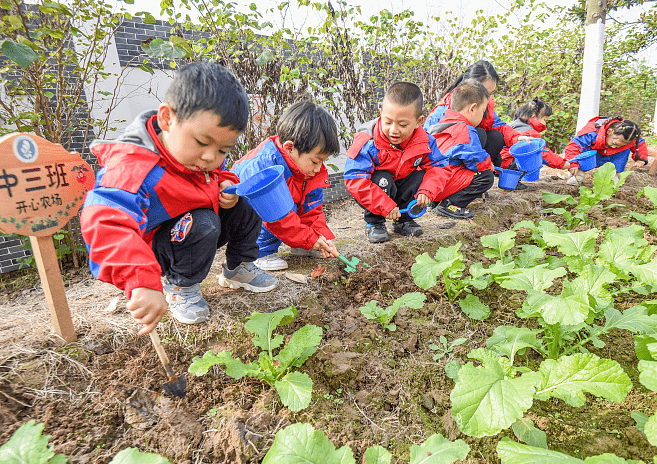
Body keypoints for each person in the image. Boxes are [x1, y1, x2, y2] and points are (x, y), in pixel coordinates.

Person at [81, 62, 277, 333]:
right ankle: (179, 285)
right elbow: (106, 220)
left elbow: (218, 173)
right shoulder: (133, 165)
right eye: (202, 143)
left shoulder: (196, 158)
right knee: (203, 222)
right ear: (166, 119)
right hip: (157, 249)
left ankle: (238, 267)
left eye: (223, 149)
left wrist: (228, 185)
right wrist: (141, 280)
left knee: (244, 197)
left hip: (196, 231)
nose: (211, 157)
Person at [231, 99, 340, 271]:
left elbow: (312, 209)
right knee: (274, 208)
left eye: (322, 162)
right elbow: (277, 218)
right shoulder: (263, 166)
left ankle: (301, 245)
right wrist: (310, 239)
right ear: (290, 147)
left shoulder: (308, 170)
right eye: (315, 161)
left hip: (278, 214)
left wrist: (320, 238)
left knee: (294, 208)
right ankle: (261, 252)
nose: (318, 168)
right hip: (244, 216)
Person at [344, 81, 450, 243]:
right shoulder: (368, 141)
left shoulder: (425, 141)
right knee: (382, 178)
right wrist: (384, 205)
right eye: (387, 122)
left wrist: (428, 190)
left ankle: (404, 220)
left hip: (403, 183)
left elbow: (439, 166)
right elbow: (354, 178)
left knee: (421, 175)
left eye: (402, 124)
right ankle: (375, 223)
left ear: (418, 122)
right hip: (379, 191)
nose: (393, 130)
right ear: (381, 113)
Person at [424, 60, 520, 168]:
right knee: (478, 135)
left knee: (495, 137)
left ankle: (478, 173)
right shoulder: (443, 111)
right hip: (444, 164)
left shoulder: (483, 104)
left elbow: (498, 125)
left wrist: (517, 138)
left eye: (491, 94)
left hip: (467, 157)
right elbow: (428, 144)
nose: (488, 98)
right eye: (486, 93)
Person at [427, 79, 495, 219]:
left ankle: (435, 202)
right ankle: (451, 205)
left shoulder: (443, 123)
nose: (482, 117)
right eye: (483, 111)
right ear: (472, 109)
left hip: (430, 185)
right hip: (443, 184)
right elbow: (476, 161)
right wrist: (490, 165)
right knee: (485, 177)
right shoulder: (465, 130)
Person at [564, 116, 648, 184]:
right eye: (614, 143)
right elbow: (574, 146)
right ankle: (578, 174)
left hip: (613, 157)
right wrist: (573, 164)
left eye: (621, 145)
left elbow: (640, 144)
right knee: (582, 152)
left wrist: (641, 159)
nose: (615, 147)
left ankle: (613, 176)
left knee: (624, 151)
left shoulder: (631, 134)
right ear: (610, 132)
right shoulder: (592, 132)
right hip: (593, 154)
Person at [500, 98, 569, 176]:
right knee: (532, 159)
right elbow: (543, 153)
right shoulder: (530, 132)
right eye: (544, 119)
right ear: (534, 116)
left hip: (497, 162)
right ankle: (514, 181)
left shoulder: (513, 124)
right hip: (508, 164)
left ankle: (510, 181)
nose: (545, 124)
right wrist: (563, 164)